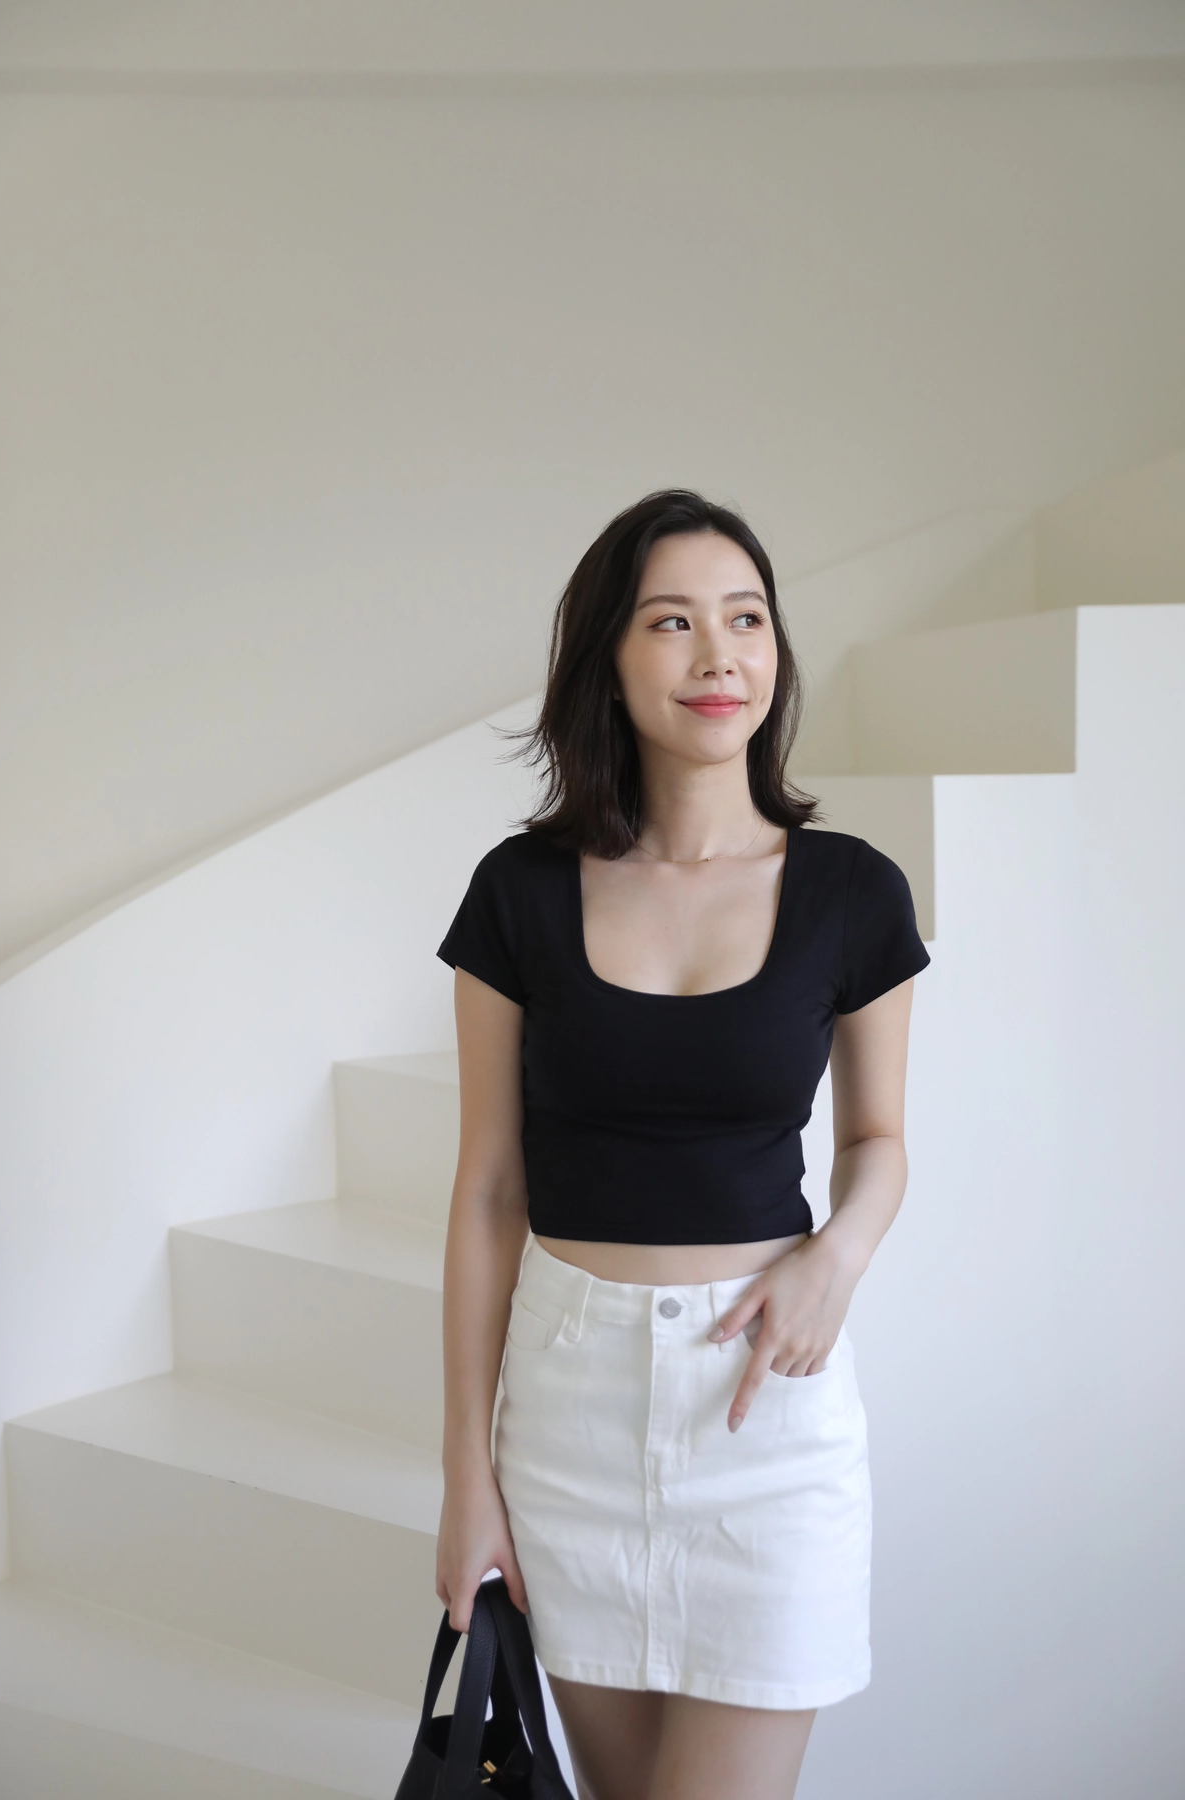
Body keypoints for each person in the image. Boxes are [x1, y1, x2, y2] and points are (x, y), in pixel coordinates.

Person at [435, 490, 930, 1800]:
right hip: (568, 1412)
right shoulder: (517, 893)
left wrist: (837, 1257)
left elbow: (880, 1138)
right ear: (607, 657)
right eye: (671, 622)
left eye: (746, 619)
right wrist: (466, 1474)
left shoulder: (853, 892)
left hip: (766, 1408)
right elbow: (488, 1190)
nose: (719, 655)